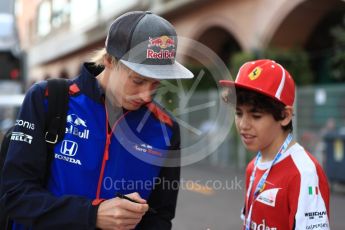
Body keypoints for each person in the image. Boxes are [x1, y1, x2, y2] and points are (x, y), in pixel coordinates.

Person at [0, 11, 193, 230]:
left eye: (156, 84)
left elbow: (159, 217)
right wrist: (92, 214)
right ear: (109, 60)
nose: (147, 95)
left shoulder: (165, 129)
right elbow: (14, 196)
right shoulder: (48, 99)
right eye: (138, 80)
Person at [220, 59, 330, 230]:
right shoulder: (253, 167)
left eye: (256, 115)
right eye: (238, 113)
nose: (243, 124)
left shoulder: (303, 173)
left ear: (285, 116)